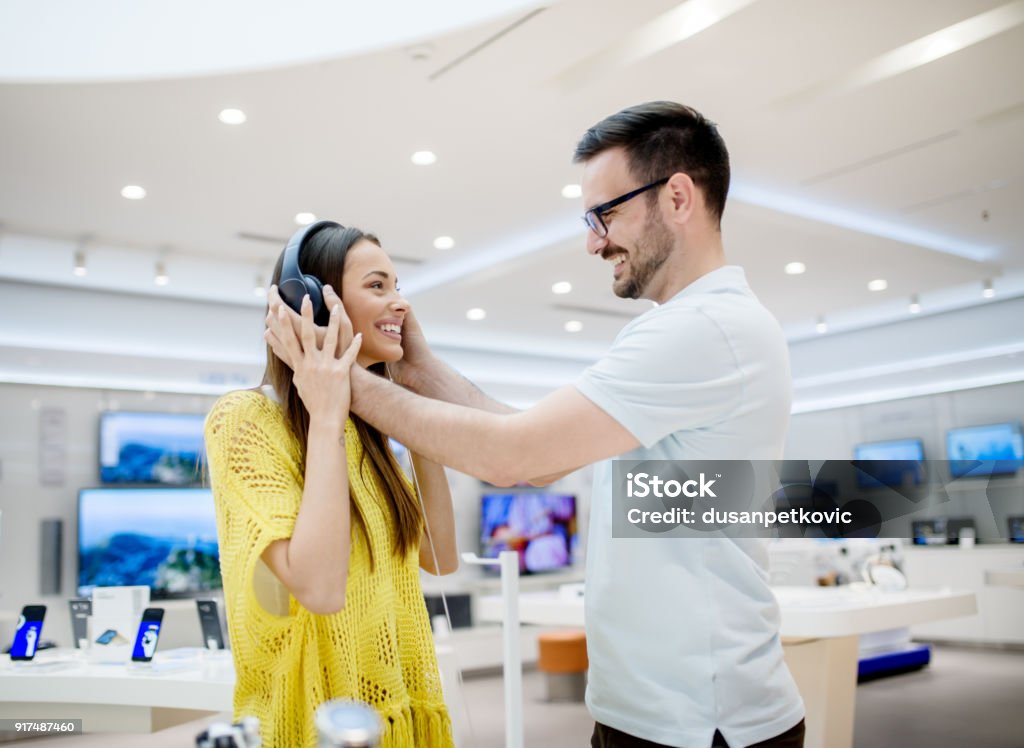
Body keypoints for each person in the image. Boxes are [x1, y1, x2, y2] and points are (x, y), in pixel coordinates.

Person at [266, 102, 804, 747]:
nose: (594, 240)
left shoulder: (704, 329)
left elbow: (513, 458)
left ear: (679, 197)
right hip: (664, 709)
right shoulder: (691, 328)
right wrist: (416, 372)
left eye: (604, 214)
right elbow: (537, 450)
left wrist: (336, 376)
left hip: (702, 720)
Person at [205, 225, 457, 748]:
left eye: (398, 285)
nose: (401, 303)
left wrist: (416, 400)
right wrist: (324, 410)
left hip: (399, 713)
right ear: (316, 307)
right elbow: (320, 589)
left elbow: (440, 555)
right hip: (311, 722)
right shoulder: (244, 420)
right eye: (378, 286)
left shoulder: (369, 434)